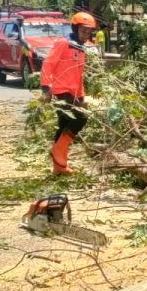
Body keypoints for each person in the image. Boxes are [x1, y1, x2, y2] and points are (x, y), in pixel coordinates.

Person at [40, 12, 97, 174]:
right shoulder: (63, 43)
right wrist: (46, 88)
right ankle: (57, 152)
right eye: (83, 31)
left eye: (88, 32)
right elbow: (48, 64)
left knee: (64, 125)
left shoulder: (80, 48)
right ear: (75, 28)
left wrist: (81, 96)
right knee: (81, 117)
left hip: (74, 93)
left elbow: (79, 75)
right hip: (61, 91)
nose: (86, 35)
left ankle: (59, 167)